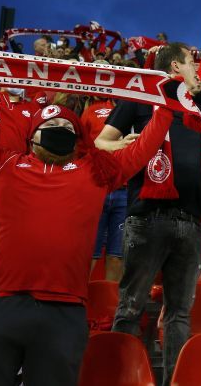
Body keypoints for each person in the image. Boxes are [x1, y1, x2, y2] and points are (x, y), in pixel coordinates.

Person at [0, 95, 173, 386]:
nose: (59, 129)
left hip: (64, 312)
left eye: (66, 126)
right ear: (31, 137)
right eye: (50, 124)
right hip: (3, 304)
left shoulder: (96, 173)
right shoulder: (2, 165)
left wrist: (168, 104)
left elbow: (143, 148)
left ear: (78, 140)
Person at [98, 42, 201, 385]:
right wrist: (129, 145)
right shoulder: (139, 99)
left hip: (190, 221)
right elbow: (102, 143)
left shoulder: (196, 108)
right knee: (130, 306)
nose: (198, 69)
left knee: (179, 313)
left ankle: (173, 380)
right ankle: (121, 378)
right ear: (176, 65)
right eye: (193, 62)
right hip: (147, 217)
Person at [82, 97, 126, 282]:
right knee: (89, 254)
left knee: (117, 256)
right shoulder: (90, 111)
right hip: (97, 187)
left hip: (124, 188)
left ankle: (110, 307)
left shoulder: (137, 109)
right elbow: (83, 147)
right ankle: (80, 302)